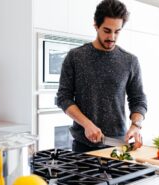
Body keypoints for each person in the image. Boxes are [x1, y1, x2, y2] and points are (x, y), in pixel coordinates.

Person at [56, 0, 147, 153]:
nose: (112, 37)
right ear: (96, 26)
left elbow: (138, 99)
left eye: (117, 31)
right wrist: (86, 124)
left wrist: (136, 125)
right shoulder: (75, 57)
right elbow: (63, 98)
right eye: (107, 30)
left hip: (118, 145)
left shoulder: (130, 61)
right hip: (83, 147)